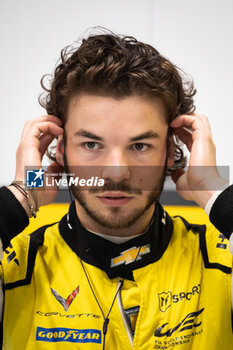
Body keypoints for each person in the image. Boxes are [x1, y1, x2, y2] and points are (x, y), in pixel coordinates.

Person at [0, 30, 233, 350]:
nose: (116, 172)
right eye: (92, 144)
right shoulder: (14, 267)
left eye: (139, 145)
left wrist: (213, 190)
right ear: (62, 150)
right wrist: (23, 193)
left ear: (169, 151)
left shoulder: (223, 261)